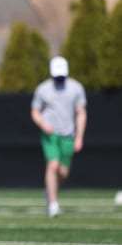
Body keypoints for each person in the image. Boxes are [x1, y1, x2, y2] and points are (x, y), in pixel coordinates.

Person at [31, 56, 87, 218]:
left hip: (68, 134)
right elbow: (35, 111)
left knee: (63, 173)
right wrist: (43, 124)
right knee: (53, 165)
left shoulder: (76, 88)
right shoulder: (43, 89)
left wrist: (79, 137)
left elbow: (81, 113)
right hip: (50, 133)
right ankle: (53, 205)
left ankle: (50, 192)